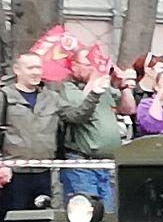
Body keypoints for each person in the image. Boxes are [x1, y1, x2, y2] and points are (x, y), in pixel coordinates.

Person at [0, 52, 61, 222]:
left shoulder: (51, 98)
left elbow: (74, 116)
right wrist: (0, 164)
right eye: (31, 68)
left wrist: (95, 91)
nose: (36, 72)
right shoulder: (4, 96)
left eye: (38, 67)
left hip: (42, 171)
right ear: (17, 70)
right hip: (14, 172)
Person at [55, 48, 131, 208]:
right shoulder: (69, 88)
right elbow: (79, 113)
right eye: (89, 63)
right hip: (82, 163)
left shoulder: (104, 88)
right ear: (74, 66)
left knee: (108, 212)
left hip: (105, 163)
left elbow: (128, 109)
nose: (94, 68)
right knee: (86, 211)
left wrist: (124, 87)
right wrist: (95, 80)